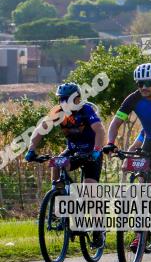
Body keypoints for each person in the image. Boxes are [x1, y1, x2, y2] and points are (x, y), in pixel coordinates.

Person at [25, 82, 105, 248]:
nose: (62, 102)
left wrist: (97, 150)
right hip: (73, 150)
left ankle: (98, 228)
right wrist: (32, 149)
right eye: (60, 99)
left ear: (76, 98)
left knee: (89, 190)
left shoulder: (86, 110)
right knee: (56, 163)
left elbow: (100, 130)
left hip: (91, 152)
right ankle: (57, 201)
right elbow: (40, 130)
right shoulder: (58, 112)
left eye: (65, 99)